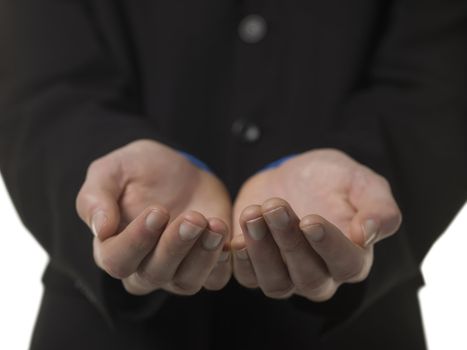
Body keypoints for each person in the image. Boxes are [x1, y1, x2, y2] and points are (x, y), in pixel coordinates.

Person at [0, 1, 465, 349]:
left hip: (356, 326)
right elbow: (38, 79)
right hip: (101, 327)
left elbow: (438, 84)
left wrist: (361, 180)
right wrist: (106, 176)